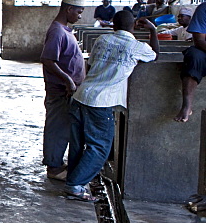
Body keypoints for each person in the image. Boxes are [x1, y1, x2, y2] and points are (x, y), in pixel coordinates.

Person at [64, 11, 158, 201]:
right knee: (100, 147)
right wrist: (153, 31)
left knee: (77, 144)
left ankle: (73, 182)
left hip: (81, 95)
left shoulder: (102, 39)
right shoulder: (136, 46)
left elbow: (91, 64)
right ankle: (74, 185)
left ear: (113, 25)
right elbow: (155, 55)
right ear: (133, 26)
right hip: (101, 101)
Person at [40, 0, 86, 180]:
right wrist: (67, 79)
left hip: (67, 89)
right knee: (57, 128)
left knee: (63, 126)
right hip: (60, 90)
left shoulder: (65, 30)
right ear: (68, 10)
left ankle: (56, 161)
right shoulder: (57, 32)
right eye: (79, 12)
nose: (80, 16)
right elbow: (48, 59)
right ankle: (54, 167)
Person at [175, 1, 206, 122]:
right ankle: (187, 106)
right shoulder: (204, 9)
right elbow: (199, 41)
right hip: (204, 50)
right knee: (194, 55)